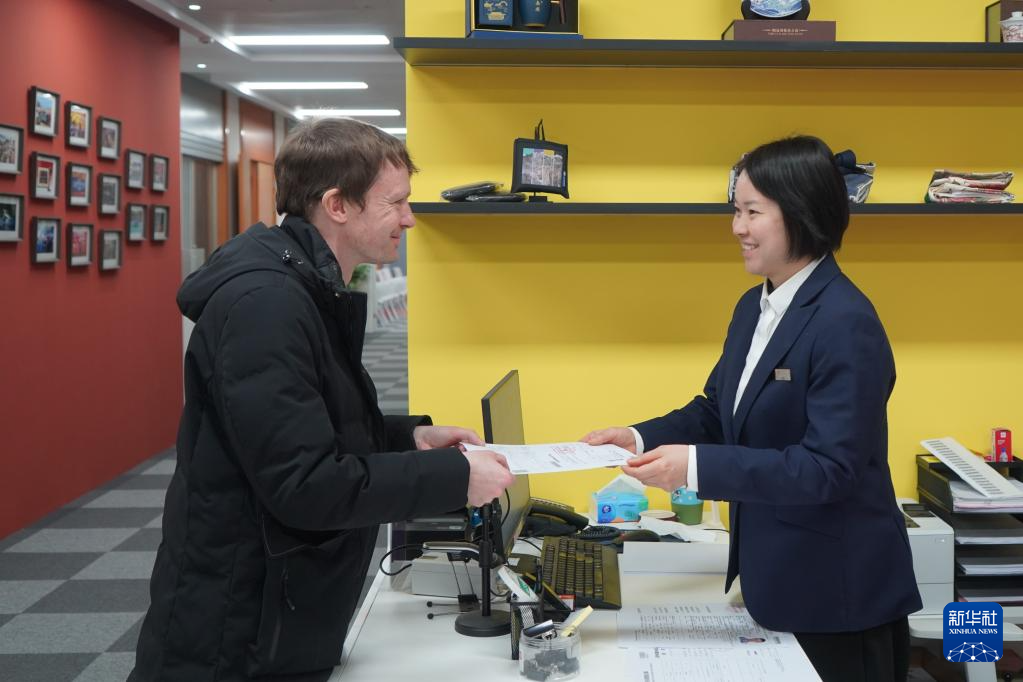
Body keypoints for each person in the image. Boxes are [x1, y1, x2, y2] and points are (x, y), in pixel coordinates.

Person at [129, 118, 515, 682]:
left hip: (274, 607)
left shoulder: (307, 287)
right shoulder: (267, 306)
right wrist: (455, 479)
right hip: (235, 629)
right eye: (396, 203)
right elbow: (304, 483)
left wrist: (409, 437)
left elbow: (314, 423)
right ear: (337, 206)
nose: (409, 218)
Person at [584, 136, 920, 682]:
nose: (737, 228)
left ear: (801, 212)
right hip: (776, 582)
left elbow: (828, 468)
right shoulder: (754, 307)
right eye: (735, 211)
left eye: (752, 212)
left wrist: (695, 468)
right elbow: (718, 411)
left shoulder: (845, 321)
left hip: (837, 599)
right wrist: (638, 436)